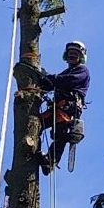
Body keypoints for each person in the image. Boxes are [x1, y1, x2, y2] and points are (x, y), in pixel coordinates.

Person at [35, 40, 89, 173]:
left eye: (75, 54)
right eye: (70, 53)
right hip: (57, 107)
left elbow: (65, 81)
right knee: (37, 123)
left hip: (67, 107)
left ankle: (51, 160)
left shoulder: (82, 70)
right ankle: (34, 150)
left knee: (60, 133)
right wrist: (42, 80)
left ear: (81, 57)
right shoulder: (67, 71)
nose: (72, 56)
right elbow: (53, 83)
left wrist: (47, 78)